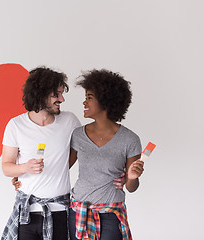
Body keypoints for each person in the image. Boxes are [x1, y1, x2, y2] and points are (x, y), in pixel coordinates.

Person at [1, 67, 81, 240]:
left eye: (61, 93)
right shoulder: (16, 125)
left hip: (60, 212)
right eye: (56, 95)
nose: (62, 99)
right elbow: (6, 168)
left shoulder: (70, 121)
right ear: (40, 94)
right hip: (27, 214)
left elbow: (81, 152)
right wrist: (25, 167)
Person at [68, 69, 144, 240]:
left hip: (111, 215)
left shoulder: (130, 139)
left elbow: (132, 187)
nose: (84, 103)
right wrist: (24, 175)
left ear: (105, 101)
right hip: (78, 212)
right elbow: (62, 168)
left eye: (89, 97)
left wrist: (132, 177)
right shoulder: (77, 135)